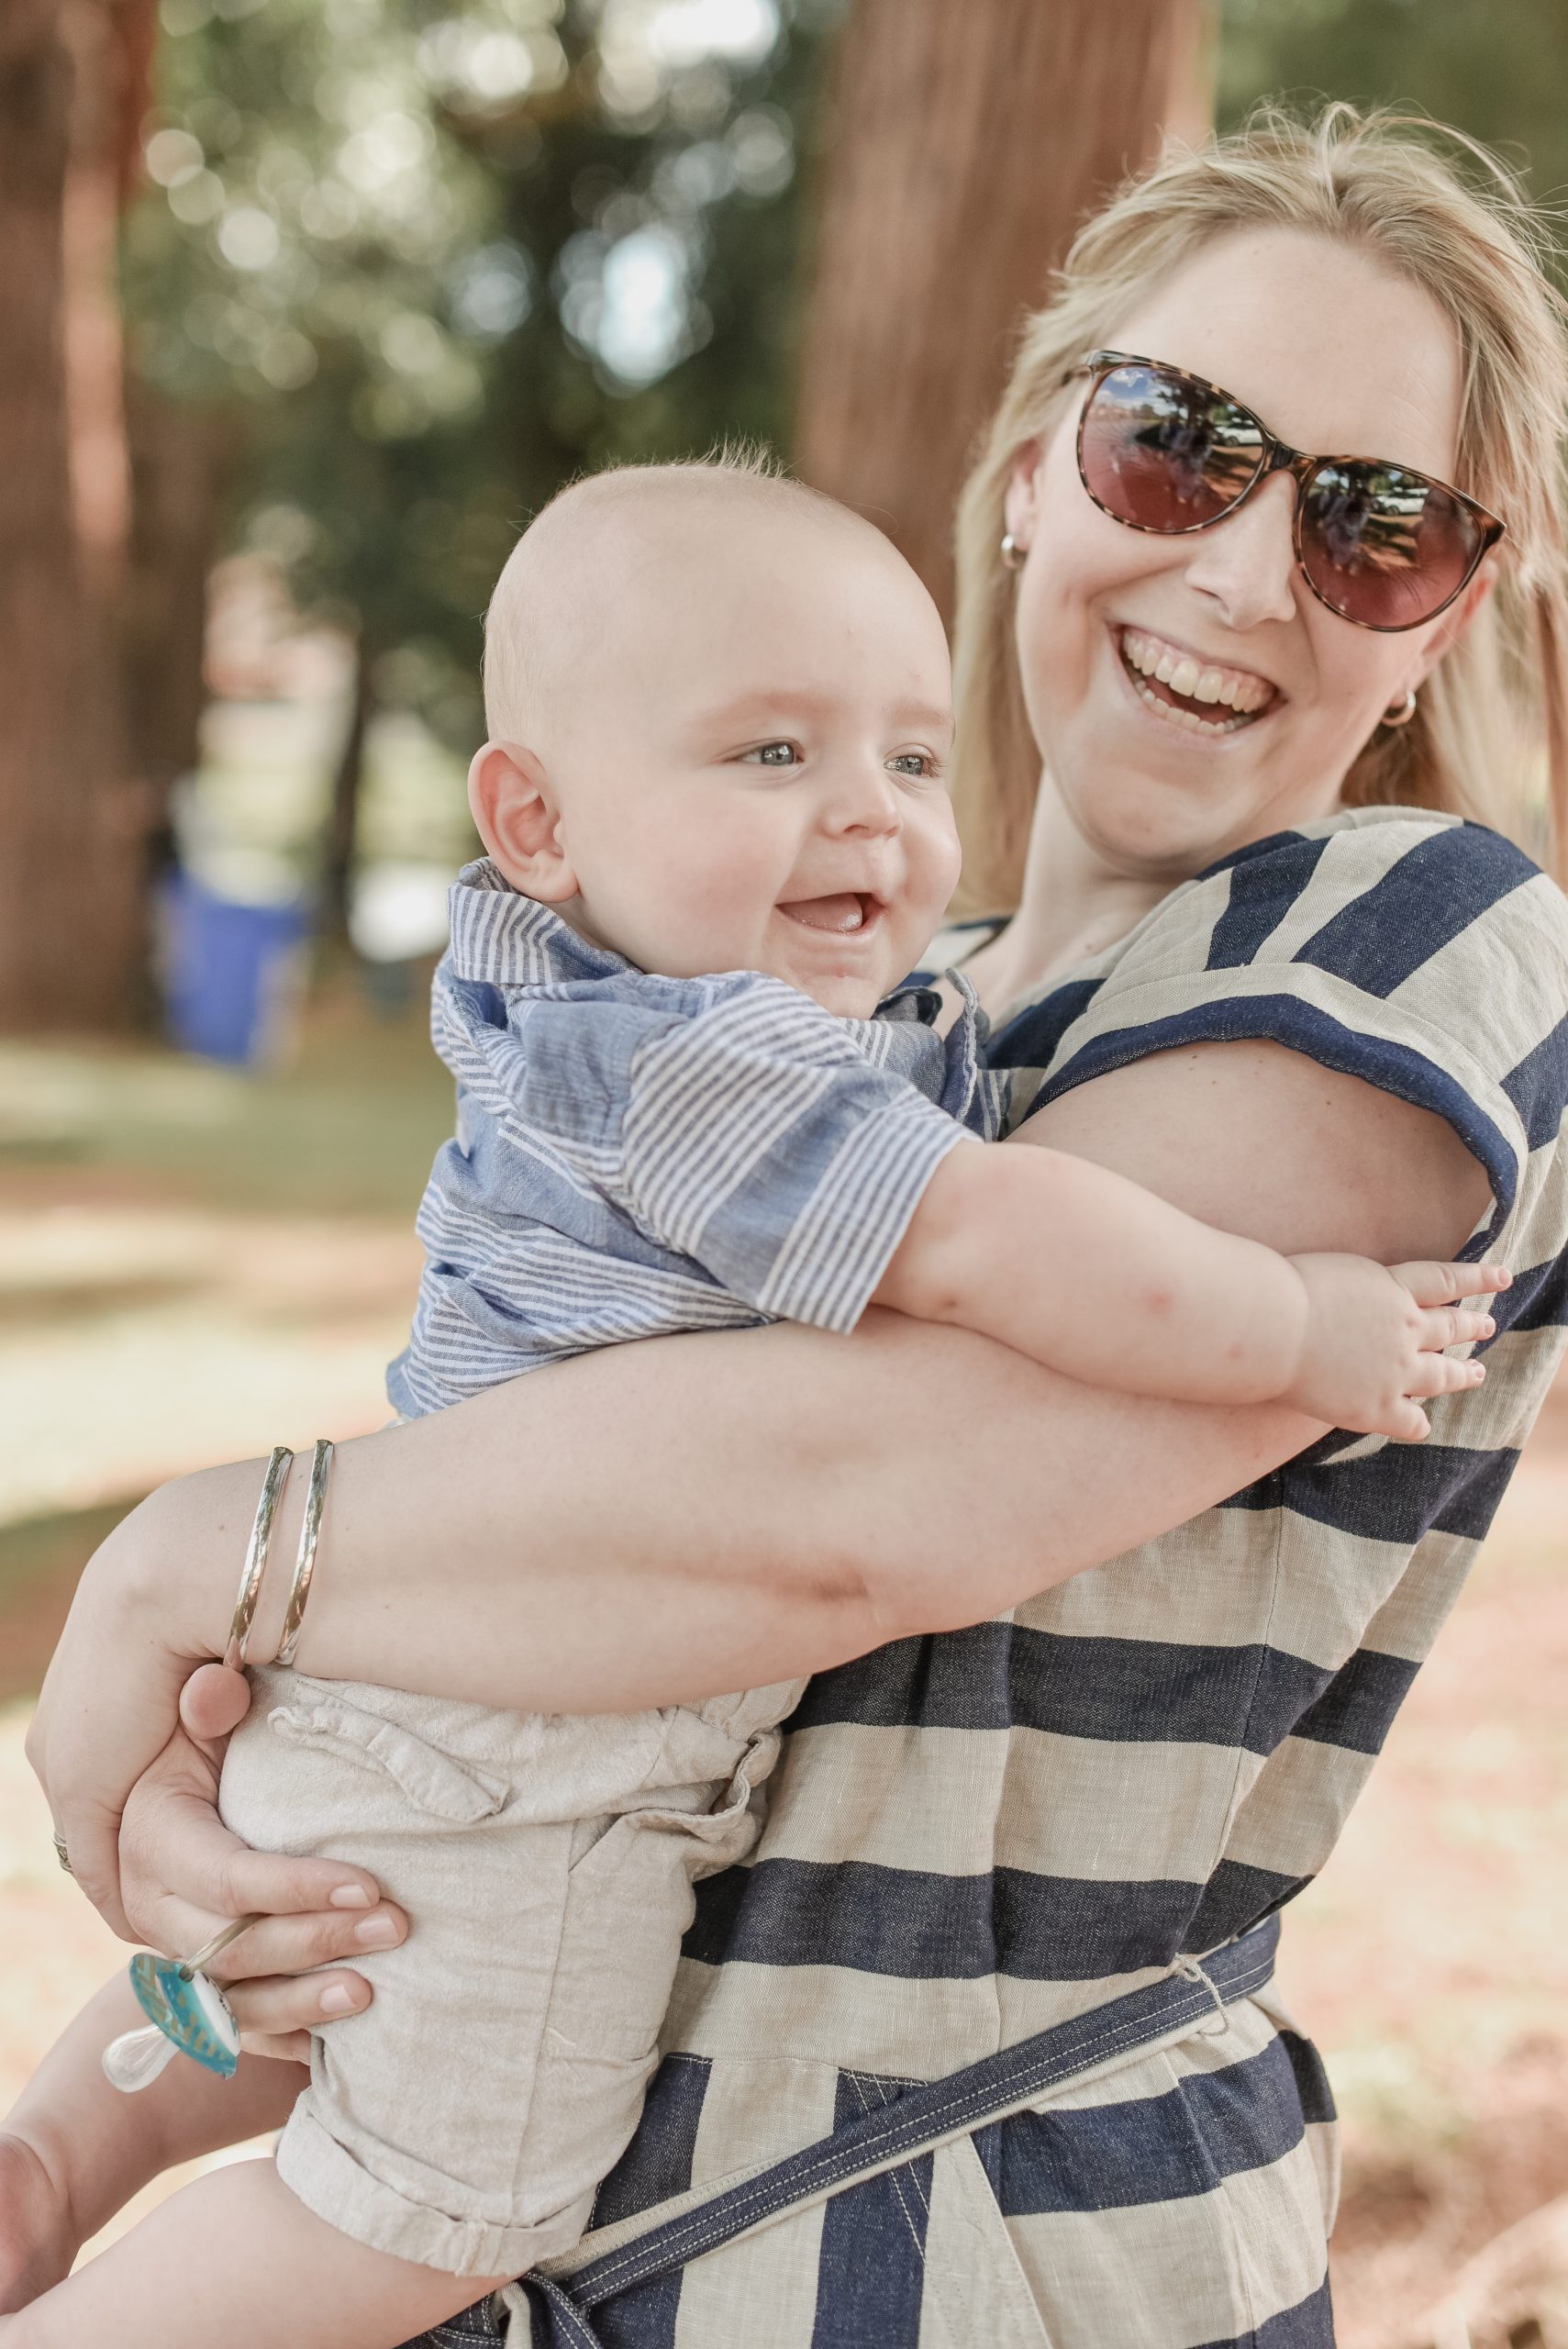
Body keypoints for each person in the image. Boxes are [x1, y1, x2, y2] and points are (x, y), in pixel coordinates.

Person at [16, 104, 1568, 2347]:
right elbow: (551, 1540)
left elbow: (837, 1504)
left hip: (961, 2264)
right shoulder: (873, 1009)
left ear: (1440, 624)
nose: (1249, 573)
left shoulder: (1427, 941)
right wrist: (218, 1873)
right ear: (1033, 474)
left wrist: (207, 1555)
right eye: (1180, 447)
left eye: (1373, 524)